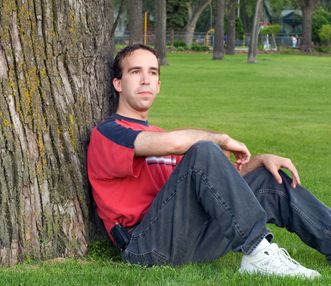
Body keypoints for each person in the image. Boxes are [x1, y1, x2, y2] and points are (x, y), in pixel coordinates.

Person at [87, 44, 331, 279]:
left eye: (152, 72)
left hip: (188, 237)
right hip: (145, 246)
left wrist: (257, 161)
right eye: (135, 72)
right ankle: (258, 253)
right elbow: (182, 147)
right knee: (204, 149)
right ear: (118, 83)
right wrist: (221, 139)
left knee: (268, 180)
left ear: (159, 85)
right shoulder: (110, 133)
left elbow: (212, 184)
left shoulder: (161, 136)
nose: (145, 80)